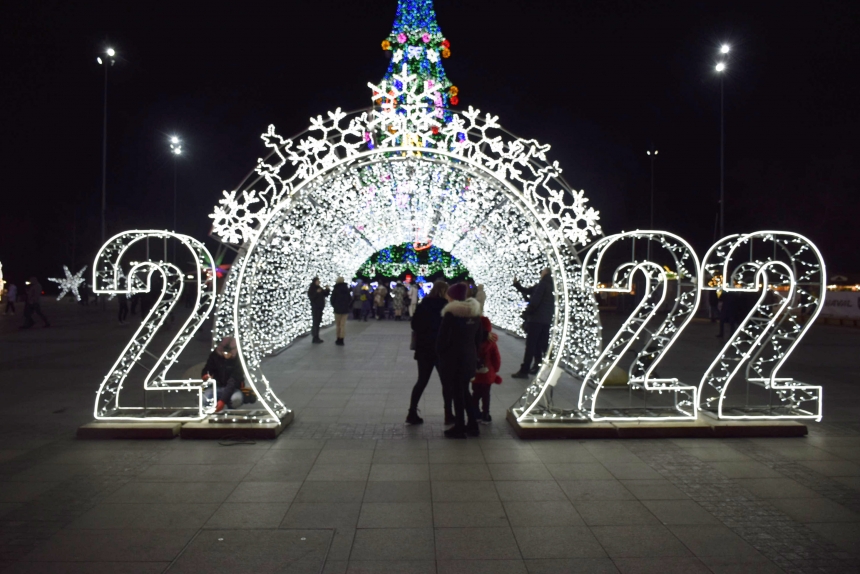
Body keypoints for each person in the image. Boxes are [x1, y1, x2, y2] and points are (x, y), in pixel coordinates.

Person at [437, 282, 483, 438]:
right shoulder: (475, 314)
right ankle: (473, 425)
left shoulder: (451, 314)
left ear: (452, 297)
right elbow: (479, 338)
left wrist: (441, 355)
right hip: (469, 357)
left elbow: (442, 339)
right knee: (465, 391)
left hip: (453, 359)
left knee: (457, 392)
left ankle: (460, 427)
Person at [406, 280, 448, 425]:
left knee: (422, 381)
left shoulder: (423, 304)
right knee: (446, 382)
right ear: (444, 291)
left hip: (424, 348)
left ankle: (412, 412)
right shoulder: (445, 306)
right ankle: (449, 413)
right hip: (440, 349)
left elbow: (414, 325)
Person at [511, 268, 554, 378]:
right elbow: (529, 291)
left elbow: (535, 301)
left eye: (542, 271)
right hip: (546, 320)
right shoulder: (552, 286)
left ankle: (524, 371)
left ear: (546, 273)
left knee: (531, 346)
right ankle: (542, 369)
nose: (540, 272)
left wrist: (526, 313)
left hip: (536, 320)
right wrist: (517, 285)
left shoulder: (542, 284)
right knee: (542, 345)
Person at [201, 337, 245, 412]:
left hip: (233, 389)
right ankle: (210, 411)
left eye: (228, 353)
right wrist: (205, 375)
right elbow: (207, 368)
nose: (226, 355)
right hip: (216, 387)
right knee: (204, 399)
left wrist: (222, 401)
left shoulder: (238, 360)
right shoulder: (215, 356)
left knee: (236, 399)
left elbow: (233, 381)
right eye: (224, 353)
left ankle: (230, 410)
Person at [472, 316, 502, 424]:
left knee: (475, 394)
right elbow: (496, 358)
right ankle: (486, 415)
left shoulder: (473, 342)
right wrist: (496, 370)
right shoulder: (492, 343)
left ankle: (475, 414)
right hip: (487, 374)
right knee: (486, 395)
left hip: (475, 374)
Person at [307, 277, 330, 344]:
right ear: (315, 282)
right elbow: (311, 297)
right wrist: (316, 293)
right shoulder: (312, 288)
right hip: (315, 308)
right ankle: (315, 337)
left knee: (318, 322)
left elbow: (325, 294)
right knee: (316, 322)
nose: (319, 282)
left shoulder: (319, 288)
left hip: (320, 308)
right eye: (317, 281)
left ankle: (316, 336)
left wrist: (327, 289)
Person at [330, 277, 351, 346]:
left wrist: (335, 306)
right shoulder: (346, 289)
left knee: (338, 325)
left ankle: (338, 338)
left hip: (337, 309)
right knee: (343, 325)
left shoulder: (335, 289)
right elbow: (350, 299)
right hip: (345, 310)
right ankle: (342, 339)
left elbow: (332, 299)